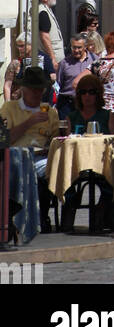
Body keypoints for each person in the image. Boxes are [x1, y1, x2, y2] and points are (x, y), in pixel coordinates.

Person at [0, 66, 60, 230]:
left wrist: (53, 143)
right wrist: (29, 122)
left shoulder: (50, 112)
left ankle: (41, 215)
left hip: (40, 157)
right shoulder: (10, 108)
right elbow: (5, 139)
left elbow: (54, 139)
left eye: (40, 90)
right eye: (34, 90)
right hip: (15, 156)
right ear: (23, 89)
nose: (37, 93)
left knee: (52, 170)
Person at [55, 35, 95, 119]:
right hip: (67, 104)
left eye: (79, 47)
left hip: (88, 103)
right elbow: (58, 84)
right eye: (74, 47)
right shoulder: (64, 63)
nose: (76, 50)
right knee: (66, 129)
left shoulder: (94, 60)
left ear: (85, 47)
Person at [4, 35, 52, 102]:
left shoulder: (44, 59)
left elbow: (52, 78)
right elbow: (7, 85)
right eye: (18, 46)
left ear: (31, 45)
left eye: (22, 46)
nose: (19, 49)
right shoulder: (15, 63)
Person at [38, 0, 65, 80]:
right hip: (52, 59)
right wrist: (52, 59)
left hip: (54, 58)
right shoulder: (42, 11)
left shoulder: (46, 10)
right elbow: (44, 36)